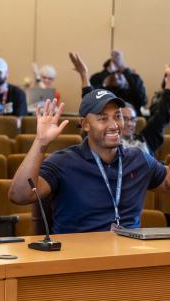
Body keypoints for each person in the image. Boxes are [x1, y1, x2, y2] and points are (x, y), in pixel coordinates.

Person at [9, 91, 170, 234]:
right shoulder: (63, 161)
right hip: (78, 258)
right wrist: (40, 142)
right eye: (103, 118)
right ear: (85, 124)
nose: (114, 125)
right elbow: (19, 195)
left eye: (118, 116)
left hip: (128, 257)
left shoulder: (138, 159)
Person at [70, 52, 170, 154]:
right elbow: (90, 102)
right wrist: (84, 74)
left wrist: (168, 83)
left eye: (133, 119)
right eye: (123, 118)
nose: (130, 123)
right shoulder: (103, 141)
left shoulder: (144, 139)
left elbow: (162, 116)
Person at [89, 50, 147, 116]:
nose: (116, 77)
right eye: (112, 73)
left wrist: (123, 68)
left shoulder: (132, 91)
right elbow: (91, 89)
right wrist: (108, 70)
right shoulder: (103, 93)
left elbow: (141, 95)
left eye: (119, 72)